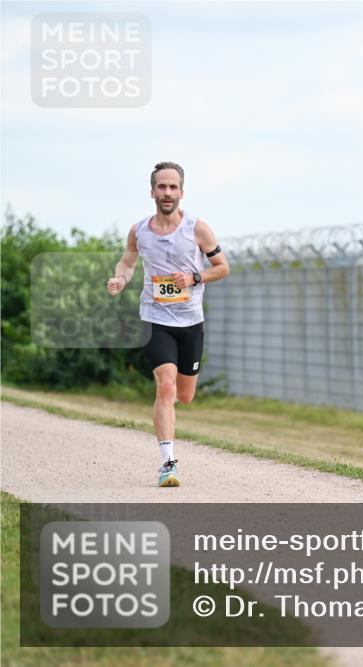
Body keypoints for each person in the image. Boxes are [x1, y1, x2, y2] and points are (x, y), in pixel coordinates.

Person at [106, 161, 230, 487]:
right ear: (152, 192)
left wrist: (194, 277)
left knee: (185, 395)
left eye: (173, 187)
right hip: (154, 317)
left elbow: (222, 267)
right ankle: (168, 464)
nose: (167, 192)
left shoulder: (196, 229)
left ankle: (172, 417)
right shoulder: (139, 231)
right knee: (165, 386)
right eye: (162, 187)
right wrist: (120, 278)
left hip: (190, 322)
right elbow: (128, 261)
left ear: (181, 192)